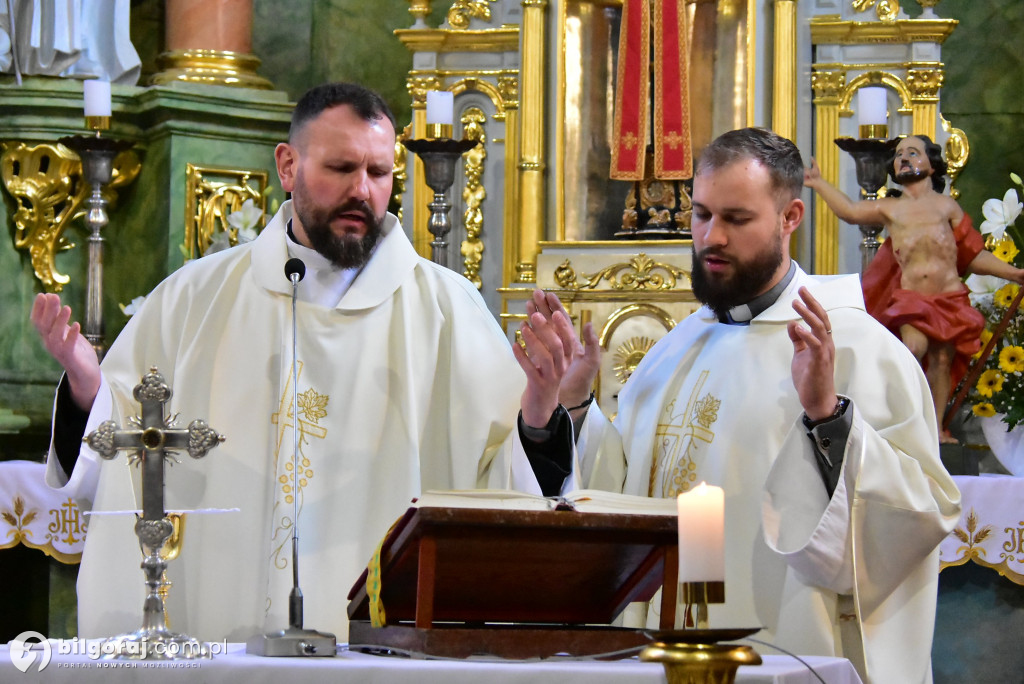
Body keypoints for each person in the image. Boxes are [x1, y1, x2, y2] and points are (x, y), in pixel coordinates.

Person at [32, 82, 573, 642]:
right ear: (288, 166)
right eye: (340, 167)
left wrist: (537, 413)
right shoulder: (193, 302)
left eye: (379, 173)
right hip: (225, 645)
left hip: (382, 658)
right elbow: (119, 454)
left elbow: (508, 486)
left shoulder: (446, 311)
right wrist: (86, 390)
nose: (362, 190)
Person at [521, 128, 961, 684]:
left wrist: (828, 416)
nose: (711, 237)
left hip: (781, 657)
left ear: (790, 217)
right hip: (654, 658)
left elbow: (919, 514)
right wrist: (575, 404)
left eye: (736, 218)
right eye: (701, 214)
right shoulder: (675, 348)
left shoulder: (857, 348)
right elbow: (620, 492)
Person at [804, 135, 1024, 442]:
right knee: (911, 351)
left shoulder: (947, 207)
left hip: (949, 298)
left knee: (942, 361)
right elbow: (851, 212)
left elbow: (971, 254)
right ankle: (907, 423)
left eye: (913, 152)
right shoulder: (891, 209)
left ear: (932, 165)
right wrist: (818, 184)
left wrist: (1014, 273)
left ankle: (935, 429)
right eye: (898, 155)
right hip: (912, 300)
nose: (904, 158)